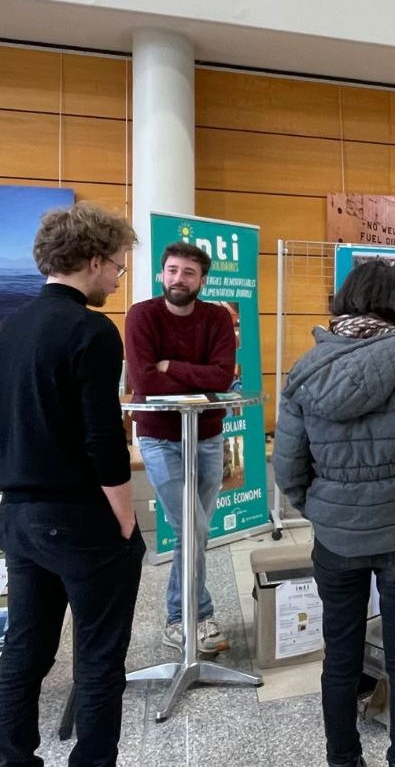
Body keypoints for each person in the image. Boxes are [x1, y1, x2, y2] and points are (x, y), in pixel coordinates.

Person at [273, 260, 395, 767]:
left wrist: (319, 507)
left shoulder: (305, 369)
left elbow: (288, 465)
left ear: (344, 302)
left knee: (339, 655)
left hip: (335, 536)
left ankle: (343, 759)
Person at [0, 201, 144, 767]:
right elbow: (102, 440)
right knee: (100, 655)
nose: (116, 277)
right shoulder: (93, 330)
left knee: (24, 651)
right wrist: (126, 518)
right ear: (92, 260)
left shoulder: (10, 327)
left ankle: (14, 757)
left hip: (18, 515)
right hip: (81, 517)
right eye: (117, 266)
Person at [124, 242, 236, 654]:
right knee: (191, 528)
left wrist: (172, 366)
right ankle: (194, 616)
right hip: (158, 437)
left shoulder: (217, 317)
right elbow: (145, 382)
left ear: (201, 280)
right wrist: (193, 376)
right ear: (161, 274)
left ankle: (179, 615)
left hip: (206, 436)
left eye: (188, 272)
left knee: (194, 531)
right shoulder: (142, 315)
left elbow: (223, 378)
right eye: (172, 270)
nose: (178, 278)